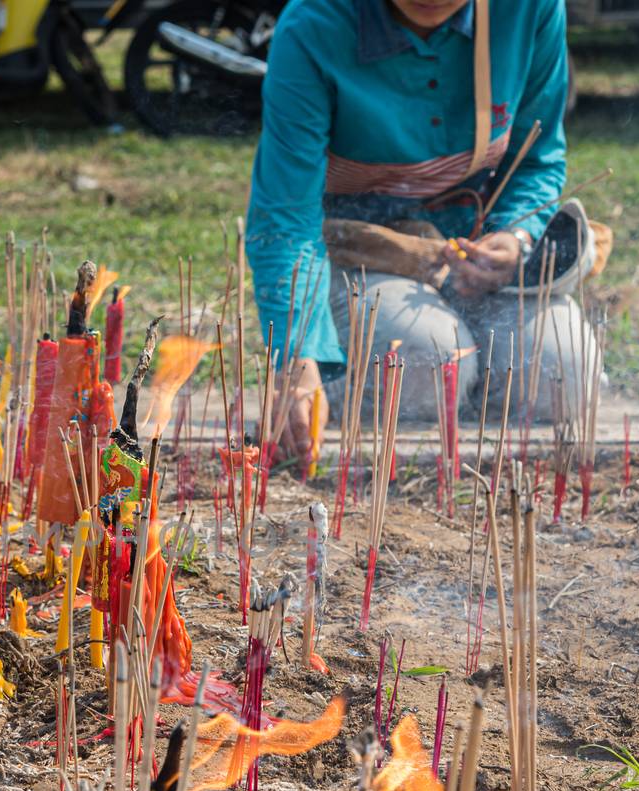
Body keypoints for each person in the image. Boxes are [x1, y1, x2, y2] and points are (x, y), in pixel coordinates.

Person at [245, 0, 596, 459]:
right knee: (425, 362)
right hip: (361, 257)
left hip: (473, 257)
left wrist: (514, 236)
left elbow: (537, 160)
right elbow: (287, 217)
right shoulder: (314, 24)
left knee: (564, 373)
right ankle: (384, 380)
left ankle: (465, 395)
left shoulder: (530, 9)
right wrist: (298, 354)